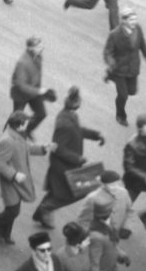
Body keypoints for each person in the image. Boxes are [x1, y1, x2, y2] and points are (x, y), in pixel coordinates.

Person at [33, 86, 105, 228]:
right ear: (77, 103)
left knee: (56, 191)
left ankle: (40, 214)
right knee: (72, 193)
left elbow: (78, 131)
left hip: (65, 164)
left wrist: (96, 135)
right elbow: (59, 148)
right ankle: (45, 209)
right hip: (63, 166)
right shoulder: (65, 123)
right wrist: (79, 159)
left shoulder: (69, 115)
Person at [0, 109, 46, 246]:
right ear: (19, 125)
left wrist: (43, 149)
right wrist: (14, 174)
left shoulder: (16, 135)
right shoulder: (8, 140)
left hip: (16, 181)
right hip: (11, 182)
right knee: (13, 211)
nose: (27, 125)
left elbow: (26, 148)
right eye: (25, 123)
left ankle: (4, 234)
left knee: (12, 210)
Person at [102, 9, 146, 127]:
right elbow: (107, 52)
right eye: (131, 20)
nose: (134, 22)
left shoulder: (138, 29)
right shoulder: (114, 35)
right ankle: (120, 115)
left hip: (133, 67)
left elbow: (142, 44)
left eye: (135, 19)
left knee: (132, 91)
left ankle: (110, 76)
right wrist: (111, 62)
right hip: (119, 69)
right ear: (124, 21)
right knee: (123, 95)